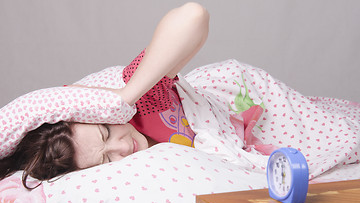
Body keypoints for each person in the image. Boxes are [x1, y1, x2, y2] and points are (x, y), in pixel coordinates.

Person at [0, 2, 210, 188]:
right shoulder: (117, 183)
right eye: (105, 160)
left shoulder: (145, 102)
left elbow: (193, 16)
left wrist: (125, 96)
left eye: (106, 132)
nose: (124, 147)